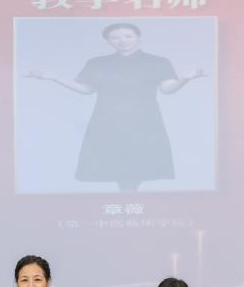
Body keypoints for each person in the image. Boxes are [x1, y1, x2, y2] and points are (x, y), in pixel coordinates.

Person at [28, 22, 205, 191]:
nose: (123, 41)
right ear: (108, 41)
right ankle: (127, 197)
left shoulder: (158, 62)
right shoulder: (97, 63)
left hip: (144, 119)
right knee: (114, 161)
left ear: (139, 38)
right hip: (107, 119)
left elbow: (167, 89)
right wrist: (55, 78)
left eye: (128, 36)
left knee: (139, 162)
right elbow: (87, 89)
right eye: (115, 38)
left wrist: (186, 78)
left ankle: (129, 197)